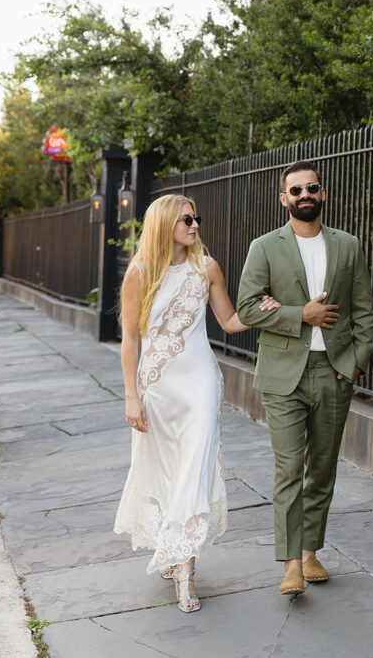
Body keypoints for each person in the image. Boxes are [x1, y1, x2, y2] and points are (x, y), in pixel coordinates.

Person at [114, 193, 278, 613]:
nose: (195, 226)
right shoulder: (139, 273)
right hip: (157, 387)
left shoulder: (206, 268)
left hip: (201, 383)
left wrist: (262, 311)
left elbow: (228, 321)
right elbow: (130, 338)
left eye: (196, 218)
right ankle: (172, 549)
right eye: (186, 219)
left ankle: (185, 570)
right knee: (165, 469)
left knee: (195, 467)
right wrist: (132, 395)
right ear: (165, 223)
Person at [236, 160, 373, 596]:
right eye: (295, 191)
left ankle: (312, 552)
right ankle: (291, 564)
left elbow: (365, 313)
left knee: (322, 469)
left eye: (311, 188)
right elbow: (246, 308)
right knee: (288, 469)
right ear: (284, 199)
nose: (304, 196)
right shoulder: (265, 247)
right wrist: (302, 315)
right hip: (283, 375)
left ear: (323, 193)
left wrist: (353, 365)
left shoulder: (348, 246)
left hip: (333, 373)